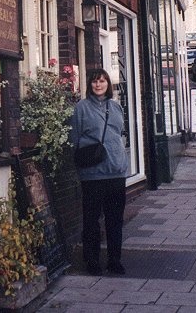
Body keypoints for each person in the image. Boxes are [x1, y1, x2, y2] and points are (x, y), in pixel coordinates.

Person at [70, 68, 128, 276]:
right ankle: (92, 261)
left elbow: (119, 134)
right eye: (94, 81)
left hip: (116, 173)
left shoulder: (116, 107)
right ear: (89, 85)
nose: (98, 85)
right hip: (93, 174)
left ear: (107, 84)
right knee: (91, 221)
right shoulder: (81, 108)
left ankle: (115, 260)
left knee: (115, 220)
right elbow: (74, 139)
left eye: (102, 81)